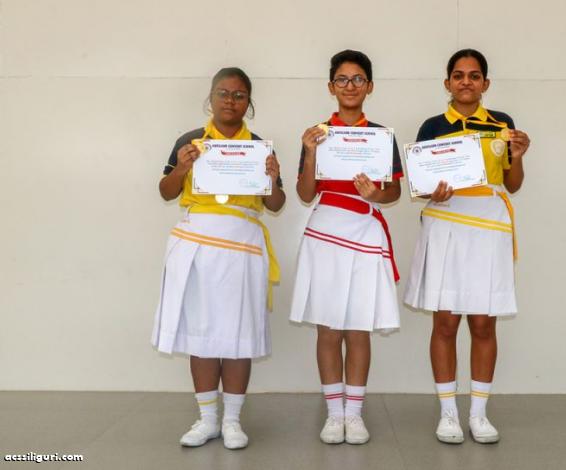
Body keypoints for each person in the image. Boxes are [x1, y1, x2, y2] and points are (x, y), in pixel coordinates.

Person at [151, 67, 285, 450]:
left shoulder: (259, 147)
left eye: (239, 95)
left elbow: (276, 204)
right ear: (210, 98)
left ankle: (232, 421)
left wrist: (272, 178)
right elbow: (165, 192)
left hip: (243, 248)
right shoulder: (190, 142)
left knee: (239, 336)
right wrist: (182, 167)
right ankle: (207, 419)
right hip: (197, 247)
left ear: (249, 103)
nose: (230, 100)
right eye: (223, 93)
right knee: (203, 335)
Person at [404, 49, 530, 444]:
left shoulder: (502, 124)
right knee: (445, 323)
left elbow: (513, 184)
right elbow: (421, 186)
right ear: (447, 83)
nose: (466, 82)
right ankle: (448, 414)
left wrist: (518, 155)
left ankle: (478, 414)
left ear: (485, 83)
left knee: (483, 323)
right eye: (458, 75)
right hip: (446, 225)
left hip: (488, 228)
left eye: (474, 76)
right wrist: (433, 192)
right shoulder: (432, 126)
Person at [290, 50, 402, 445]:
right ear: (331, 86)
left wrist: (376, 194)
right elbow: (305, 194)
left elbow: (394, 191)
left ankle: (353, 414)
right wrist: (310, 152)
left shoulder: (382, 136)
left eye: (357, 79)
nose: (349, 86)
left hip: (365, 233)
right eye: (342, 79)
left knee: (358, 327)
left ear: (369, 86)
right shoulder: (317, 134)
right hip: (325, 233)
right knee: (328, 328)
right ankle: (333, 412)